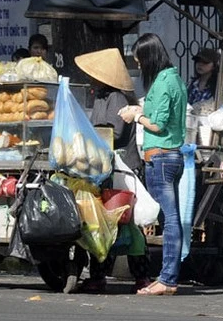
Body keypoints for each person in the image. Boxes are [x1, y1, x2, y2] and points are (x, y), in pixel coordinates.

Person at [74, 47, 152, 294]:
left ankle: (142, 277)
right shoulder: (99, 97)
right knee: (102, 223)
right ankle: (98, 276)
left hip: (124, 168)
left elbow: (115, 133)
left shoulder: (116, 98)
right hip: (105, 168)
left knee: (128, 224)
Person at [118, 33, 187, 296]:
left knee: (169, 219)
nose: (138, 66)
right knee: (171, 218)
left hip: (161, 157)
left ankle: (167, 278)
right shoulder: (176, 79)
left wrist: (135, 115)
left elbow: (156, 124)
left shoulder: (161, 82)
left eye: (139, 61)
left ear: (149, 58)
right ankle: (167, 277)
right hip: (173, 155)